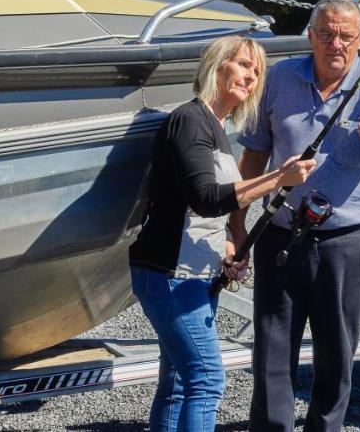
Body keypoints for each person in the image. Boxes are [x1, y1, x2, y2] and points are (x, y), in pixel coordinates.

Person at [238, 0, 360, 432]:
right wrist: (236, 227)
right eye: (327, 34)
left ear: (359, 39)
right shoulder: (278, 79)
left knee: (337, 354)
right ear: (311, 36)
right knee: (272, 352)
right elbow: (254, 154)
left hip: (348, 241)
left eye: (346, 36)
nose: (337, 44)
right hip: (280, 235)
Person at [130, 35, 315, 432]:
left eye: (257, 71)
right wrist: (280, 177)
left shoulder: (214, 126)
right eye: (244, 65)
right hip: (169, 274)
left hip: (194, 275)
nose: (251, 76)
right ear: (218, 65)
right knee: (207, 380)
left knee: (179, 383)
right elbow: (206, 199)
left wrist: (229, 245)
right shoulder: (189, 120)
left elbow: (208, 212)